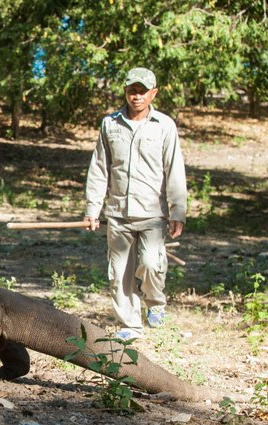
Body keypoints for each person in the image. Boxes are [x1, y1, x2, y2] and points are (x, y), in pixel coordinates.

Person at [83, 67, 187, 340]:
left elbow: (174, 169)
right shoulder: (110, 124)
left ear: (153, 93)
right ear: (125, 91)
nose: (136, 96)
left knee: (152, 263)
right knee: (119, 273)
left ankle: (155, 303)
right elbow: (99, 169)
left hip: (153, 213)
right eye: (132, 90)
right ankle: (130, 323)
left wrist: (178, 211)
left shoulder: (164, 126)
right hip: (118, 213)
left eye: (142, 91)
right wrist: (93, 208)